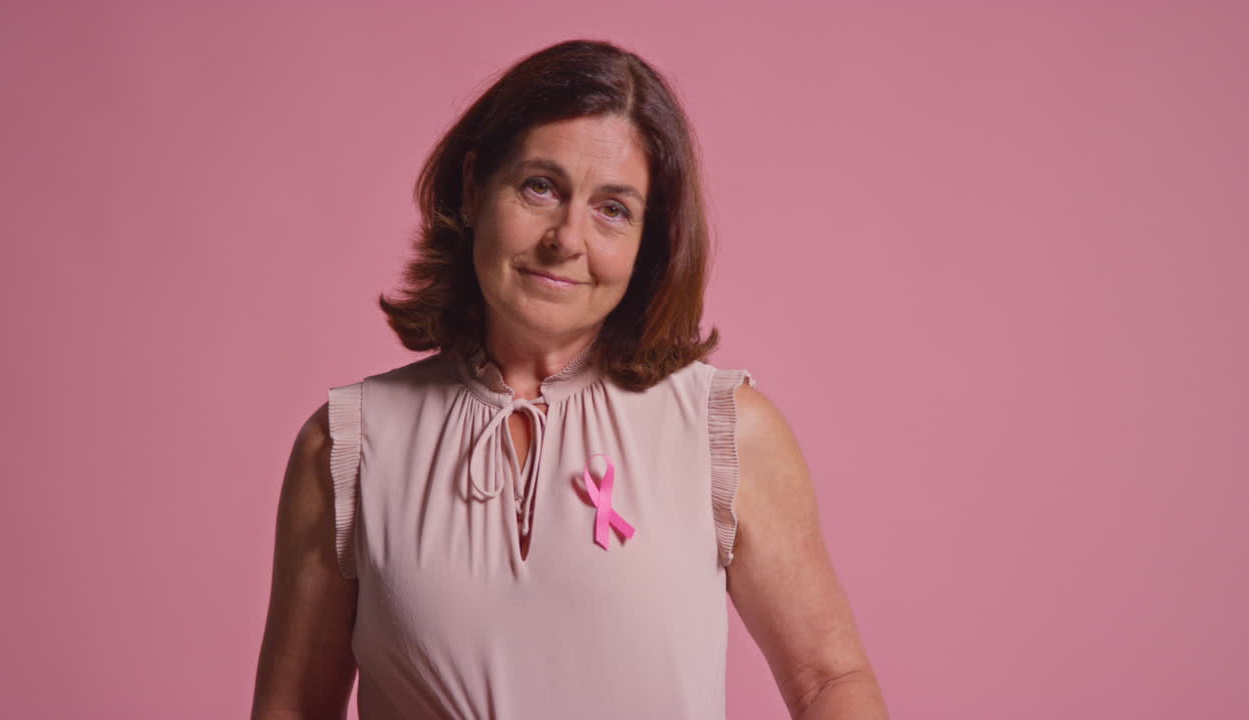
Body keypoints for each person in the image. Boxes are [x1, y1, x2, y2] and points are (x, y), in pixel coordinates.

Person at [252, 38, 888, 720]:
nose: (566, 238)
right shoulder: (347, 447)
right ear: (473, 188)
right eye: (540, 187)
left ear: (651, 239)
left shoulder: (724, 431)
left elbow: (828, 680)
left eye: (613, 208)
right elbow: (293, 708)